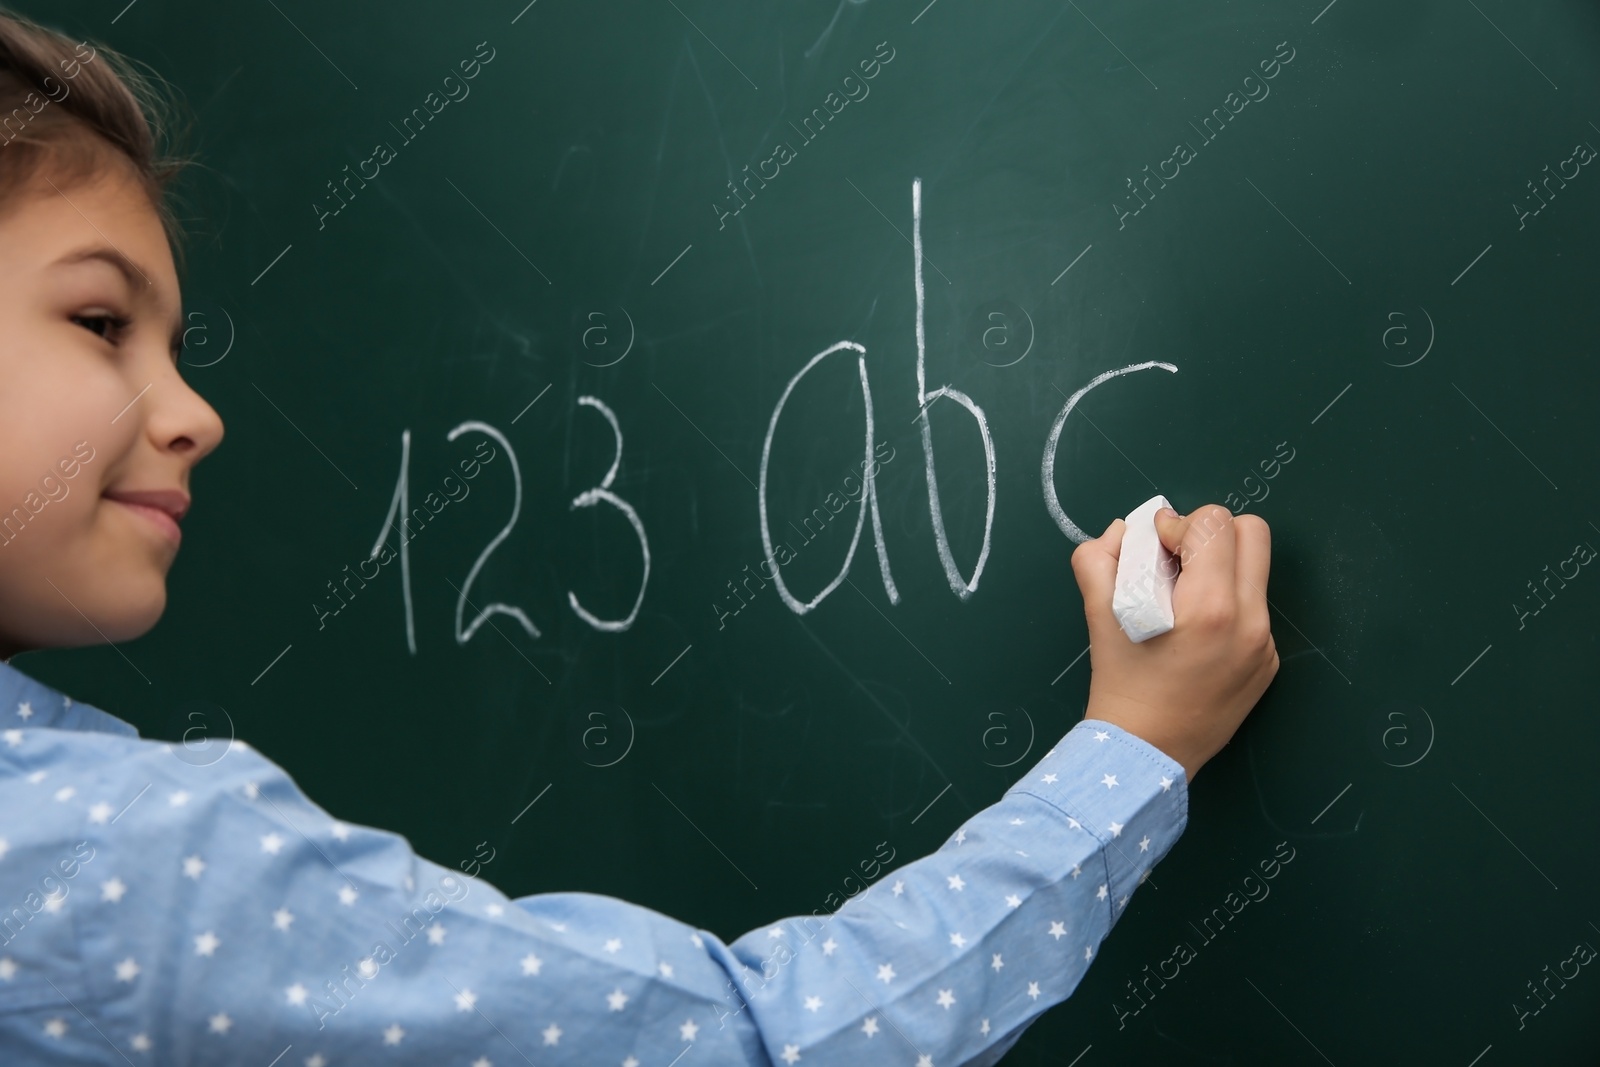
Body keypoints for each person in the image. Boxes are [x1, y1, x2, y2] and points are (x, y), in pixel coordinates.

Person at [0, 9, 1278, 1065]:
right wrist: (1131, 753)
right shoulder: (128, 864)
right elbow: (761, 1046)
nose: (196, 413)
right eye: (103, 321)